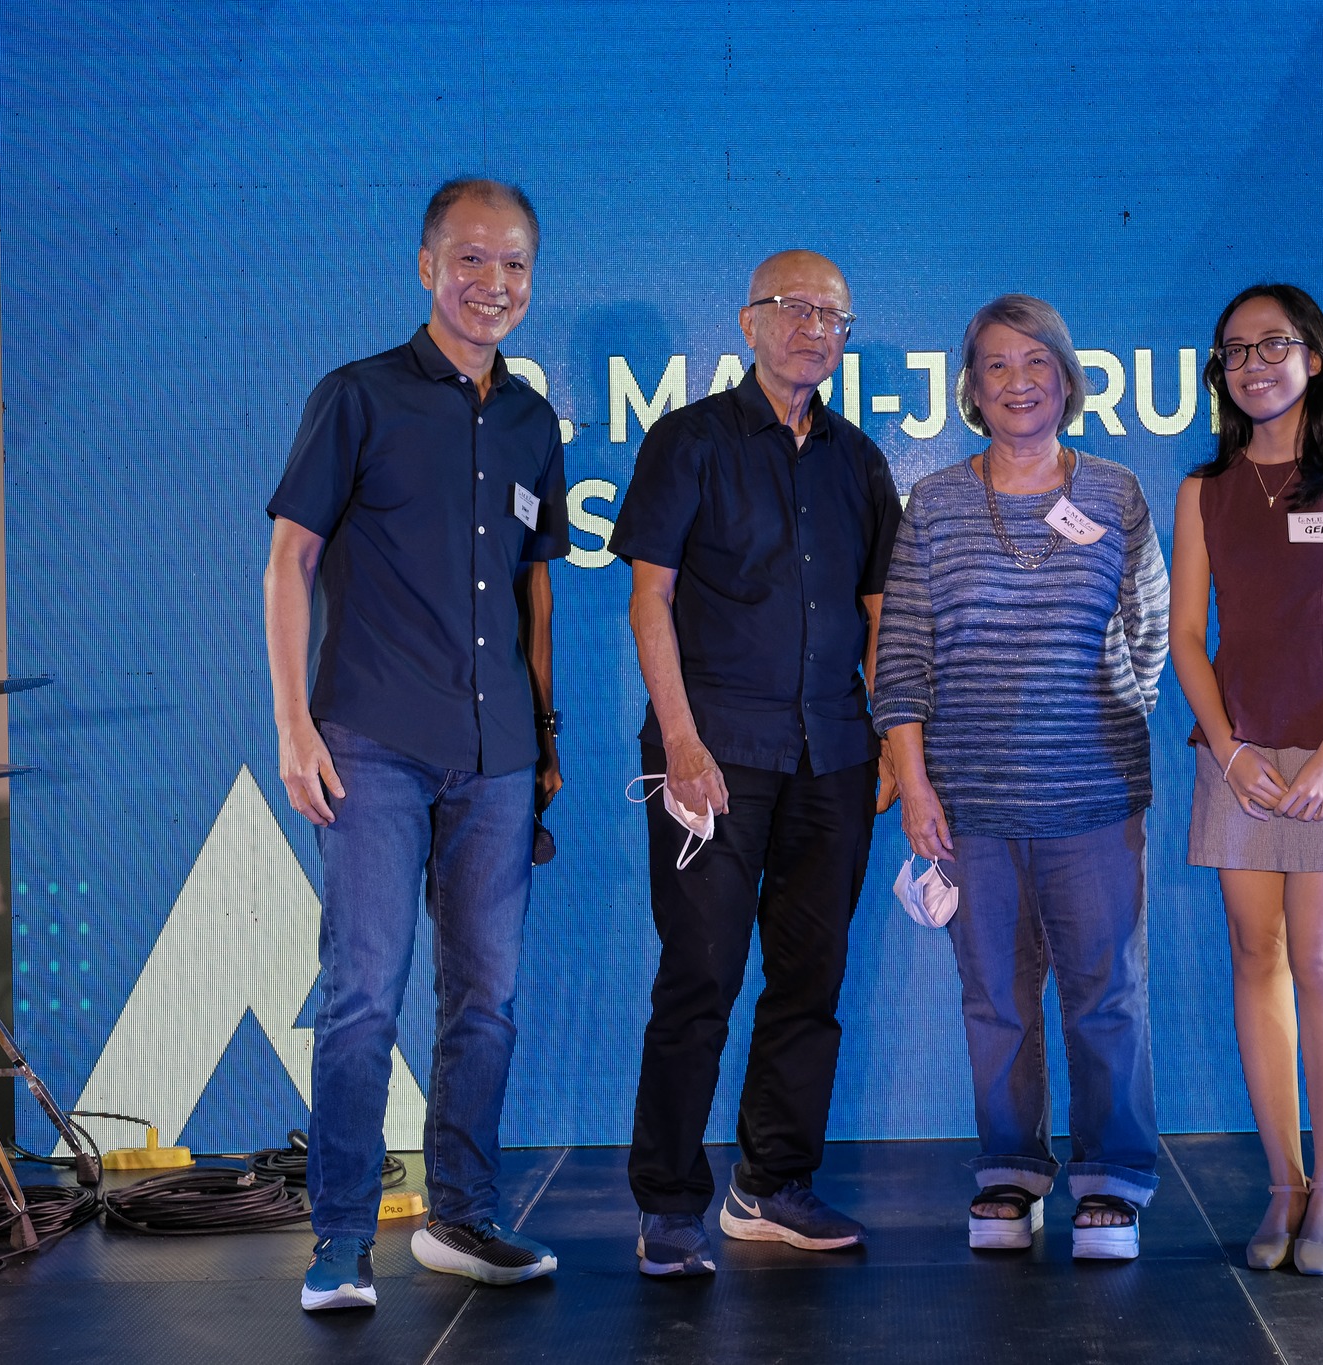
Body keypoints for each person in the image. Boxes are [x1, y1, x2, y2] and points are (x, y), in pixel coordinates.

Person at [264, 178, 568, 1312]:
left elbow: (538, 599)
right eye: (474, 260)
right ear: (428, 265)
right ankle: (340, 1237)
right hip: (373, 740)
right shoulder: (357, 397)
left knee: (485, 1001)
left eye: (516, 267)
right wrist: (293, 724)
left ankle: (463, 1214)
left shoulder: (536, 424)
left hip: (495, 755)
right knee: (361, 997)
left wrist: (544, 739)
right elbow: (288, 562)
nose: (495, 285)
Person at [608, 250, 901, 1279]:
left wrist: (893, 748)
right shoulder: (687, 441)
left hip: (833, 758)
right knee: (699, 976)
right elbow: (649, 601)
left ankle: (771, 1185)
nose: (813, 327)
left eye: (834, 313)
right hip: (714, 759)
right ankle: (669, 1202)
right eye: (793, 308)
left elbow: (881, 619)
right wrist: (681, 744)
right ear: (747, 321)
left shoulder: (859, 462)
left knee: (809, 978)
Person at [875, 294, 1170, 1261]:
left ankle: (1114, 1179)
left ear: (1066, 377)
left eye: (1034, 362)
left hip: (1092, 800)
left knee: (1105, 994)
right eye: (995, 366)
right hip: (974, 809)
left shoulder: (1119, 493)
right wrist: (915, 786)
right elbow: (904, 655)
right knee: (994, 1002)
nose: (1017, 383)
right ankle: (1010, 1171)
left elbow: (1155, 636)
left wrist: (1104, 717)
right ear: (970, 388)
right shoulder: (937, 504)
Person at [1168, 283, 1323, 1276]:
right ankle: (1282, 1182)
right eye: (1232, 351)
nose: (1251, 364)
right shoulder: (1204, 490)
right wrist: (1226, 750)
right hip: (1236, 751)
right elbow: (1187, 634)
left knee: (1320, 962)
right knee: (1250, 955)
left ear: (1314, 357)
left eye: (1272, 344)